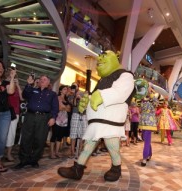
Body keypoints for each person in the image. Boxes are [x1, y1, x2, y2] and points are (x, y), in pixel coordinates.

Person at [58, 50, 135, 182]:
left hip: (111, 118)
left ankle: (115, 168)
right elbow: (93, 96)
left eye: (105, 56)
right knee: (89, 144)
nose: (100, 58)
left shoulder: (126, 75)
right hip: (98, 119)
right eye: (100, 55)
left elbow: (121, 91)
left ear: (116, 58)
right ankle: (78, 168)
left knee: (112, 145)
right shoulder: (102, 80)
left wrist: (101, 96)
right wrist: (85, 103)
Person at [14, 75, 59, 169]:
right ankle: (23, 160)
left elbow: (55, 108)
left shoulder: (52, 94)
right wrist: (29, 84)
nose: (42, 80)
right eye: (41, 79)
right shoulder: (33, 90)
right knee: (26, 138)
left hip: (44, 118)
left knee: (40, 140)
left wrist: (53, 118)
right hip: (30, 116)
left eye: (45, 79)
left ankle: (34, 160)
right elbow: (24, 95)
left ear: (48, 83)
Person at [139, 84, 159, 167]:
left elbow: (156, 103)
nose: (147, 90)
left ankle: (144, 158)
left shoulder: (153, 99)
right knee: (145, 139)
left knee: (146, 141)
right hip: (143, 123)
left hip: (149, 123)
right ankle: (149, 153)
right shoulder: (142, 99)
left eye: (148, 89)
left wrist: (151, 94)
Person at [5, 72, 23, 161]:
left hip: (15, 113)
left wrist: (18, 85)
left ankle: (8, 154)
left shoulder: (17, 87)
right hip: (3, 112)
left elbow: (22, 98)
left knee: (11, 133)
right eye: (10, 75)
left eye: (15, 76)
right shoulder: (3, 84)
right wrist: (8, 81)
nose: (12, 77)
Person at [49, 85, 71, 159]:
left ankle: (57, 152)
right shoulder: (57, 98)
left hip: (64, 119)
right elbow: (58, 108)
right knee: (54, 135)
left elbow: (69, 109)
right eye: (64, 89)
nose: (66, 90)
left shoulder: (66, 99)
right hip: (57, 118)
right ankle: (52, 153)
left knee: (60, 136)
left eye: (66, 89)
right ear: (60, 90)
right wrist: (65, 108)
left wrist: (64, 108)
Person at [67, 82, 87, 159]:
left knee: (83, 133)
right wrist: (75, 96)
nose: (74, 87)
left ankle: (80, 151)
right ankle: (72, 152)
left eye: (75, 85)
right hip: (75, 114)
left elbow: (86, 103)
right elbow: (73, 104)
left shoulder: (83, 93)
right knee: (73, 134)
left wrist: (82, 98)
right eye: (73, 85)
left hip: (84, 115)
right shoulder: (70, 95)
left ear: (78, 87)